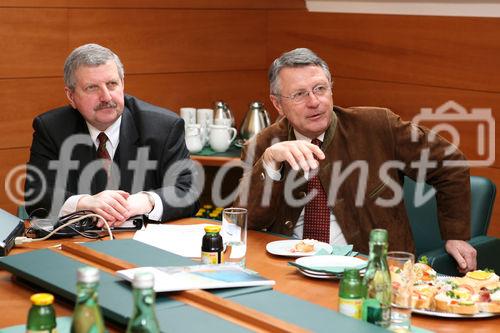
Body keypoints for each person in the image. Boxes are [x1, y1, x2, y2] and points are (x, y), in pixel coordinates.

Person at [235, 48, 477, 273]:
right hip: (290, 271)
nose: (314, 101)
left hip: (370, 271)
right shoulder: (263, 145)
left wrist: (455, 235)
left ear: (331, 88)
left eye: (320, 88)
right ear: (278, 103)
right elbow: (244, 224)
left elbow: (450, 162)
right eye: (299, 94)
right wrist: (269, 164)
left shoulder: (377, 127)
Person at [25, 43, 199, 226]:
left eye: (112, 84)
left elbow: (188, 192)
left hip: (143, 243)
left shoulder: (163, 127)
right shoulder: (51, 128)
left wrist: (146, 201)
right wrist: (85, 203)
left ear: (122, 84)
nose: (106, 97)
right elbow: (37, 195)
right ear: (71, 96)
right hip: (76, 244)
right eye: (92, 88)